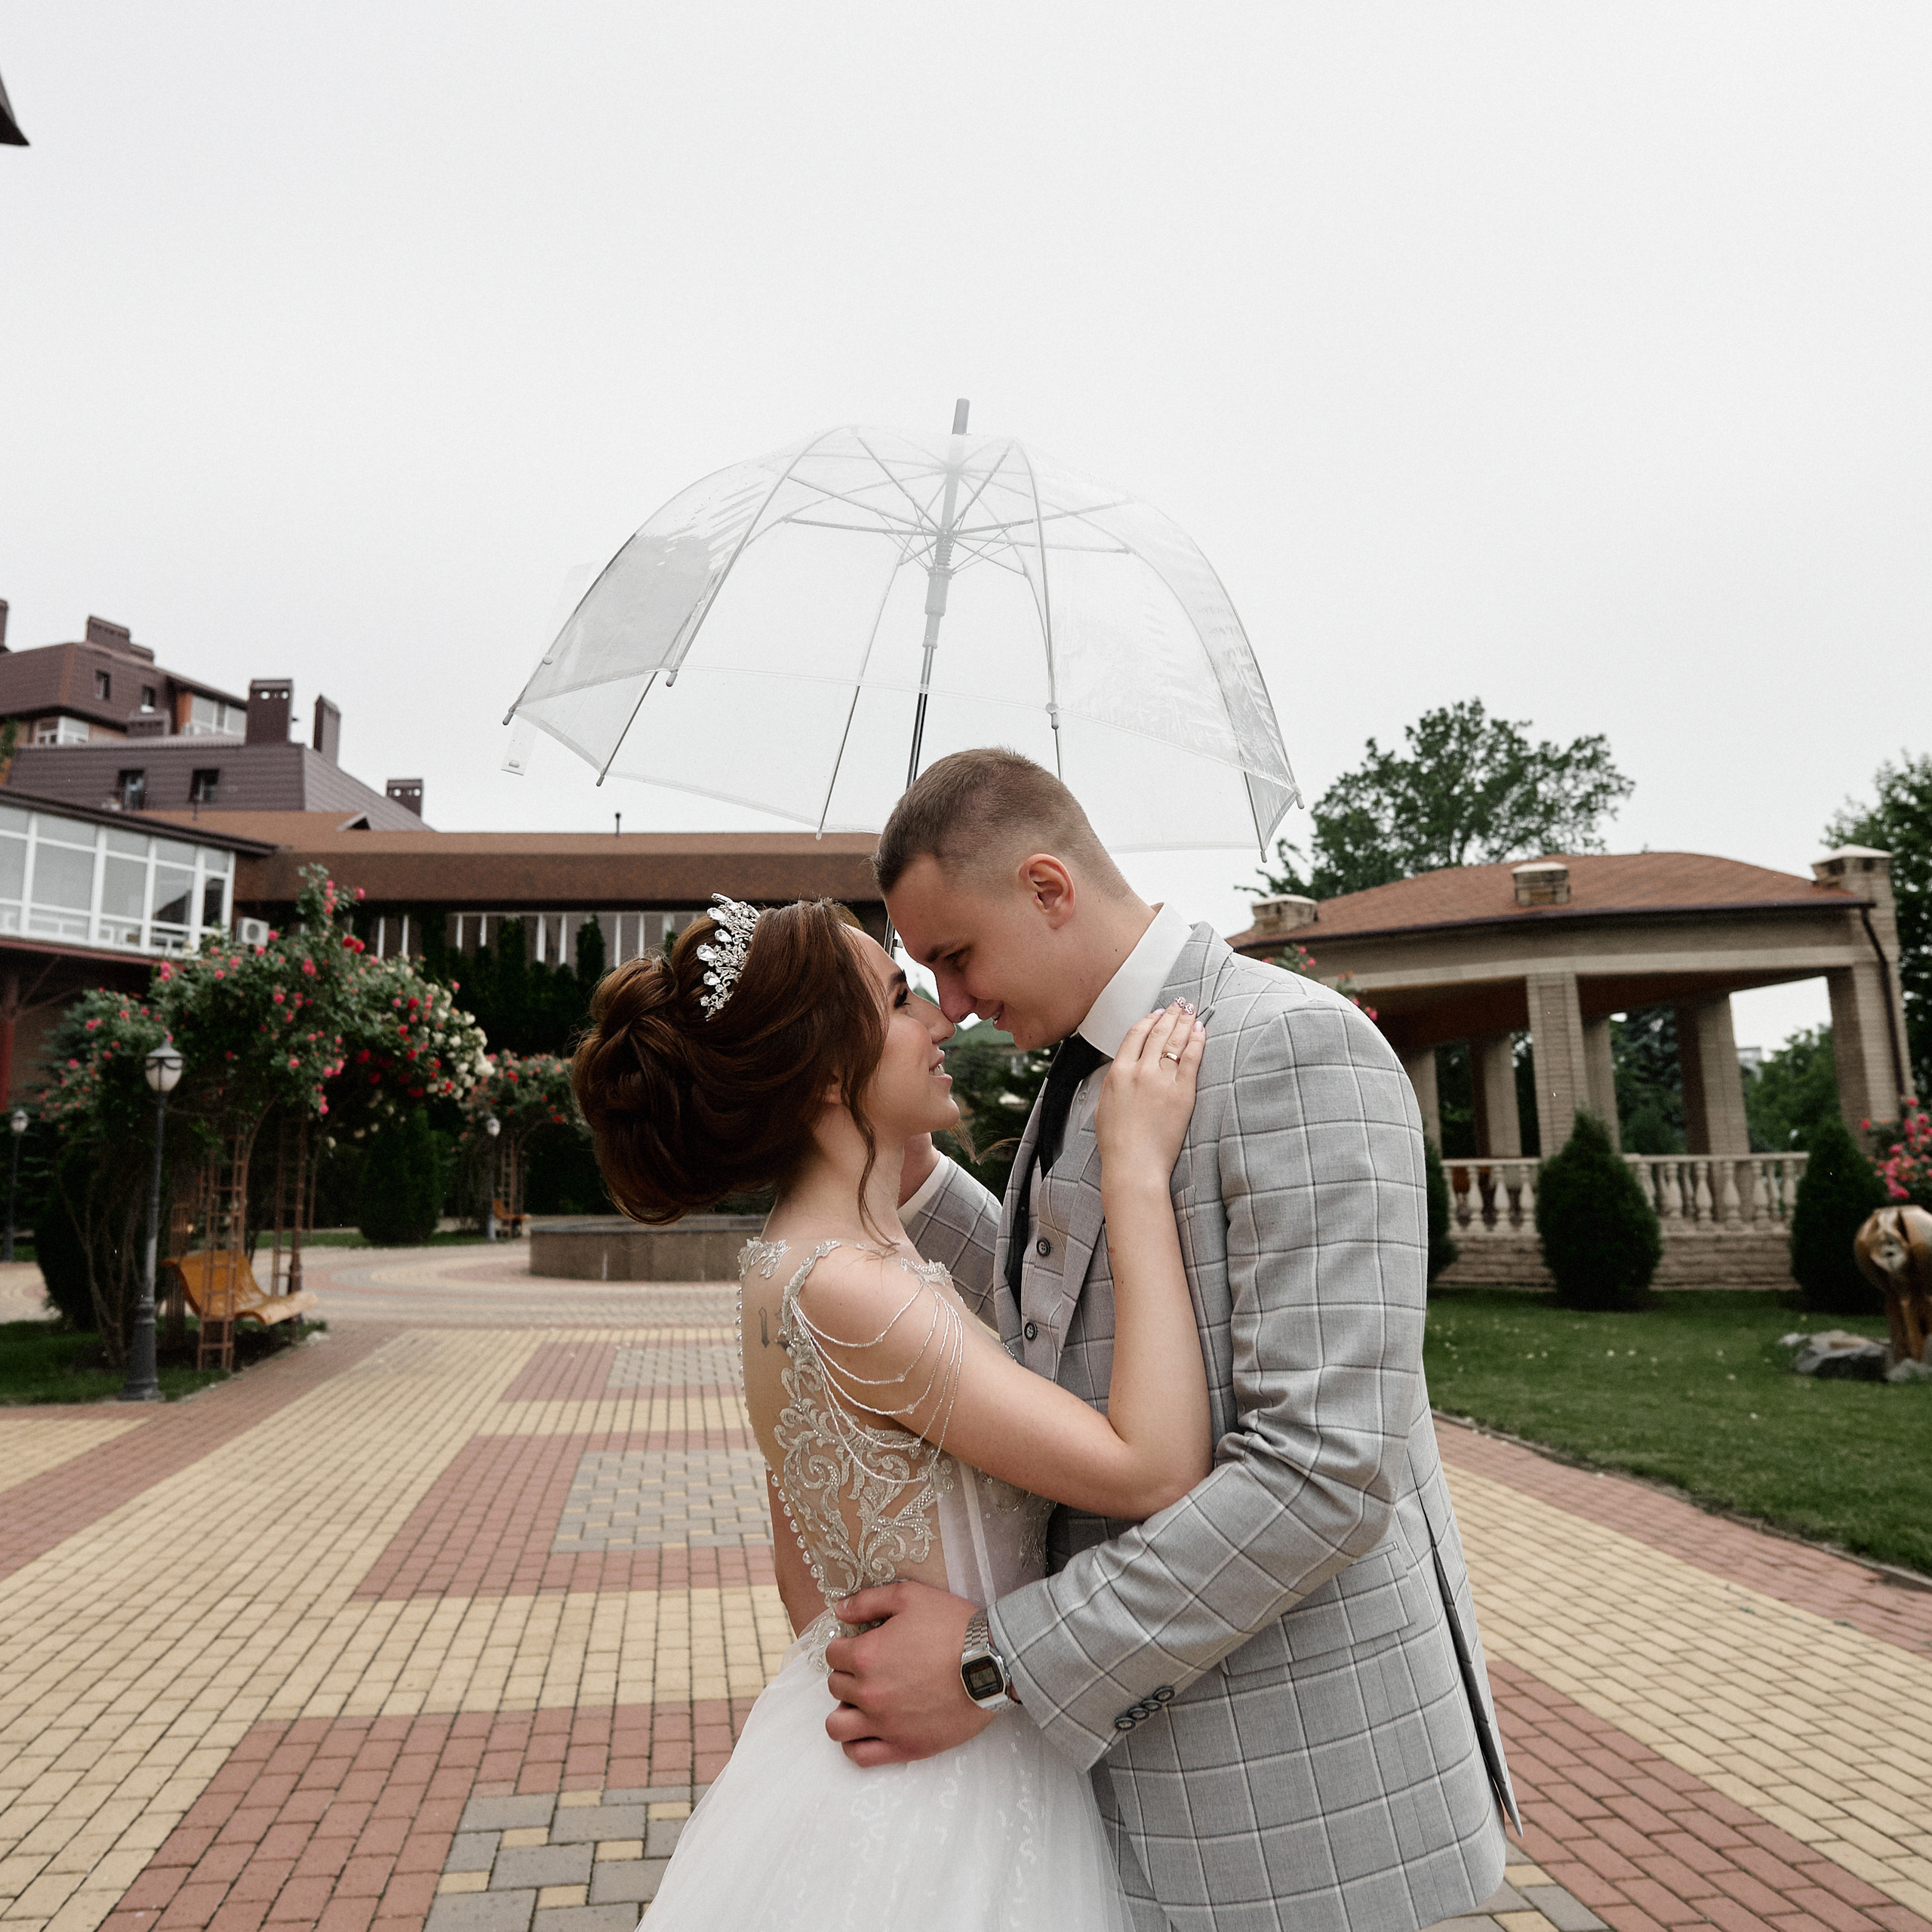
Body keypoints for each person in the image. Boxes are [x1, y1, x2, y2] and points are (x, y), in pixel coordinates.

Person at [831, 746, 1518, 1932]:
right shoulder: (1080, 1066)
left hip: (1294, 1809)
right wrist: (905, 1178)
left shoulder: (1294, 1047)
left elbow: (1321, 1474)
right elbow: (1065, 1308)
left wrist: (995, 1664)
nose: (948, 1003)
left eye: (955, 956)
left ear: (1049, 888)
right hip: (1140, 1798)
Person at [570, 891, 1214, 1930]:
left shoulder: (787, 1261)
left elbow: (804, 1583)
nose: (941, 1016)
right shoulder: (860, 1291)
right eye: (898, 996)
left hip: (849, 1753)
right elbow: (1151, 1467)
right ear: (829, 1071)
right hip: (953, 1773)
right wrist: (1135, 1171)